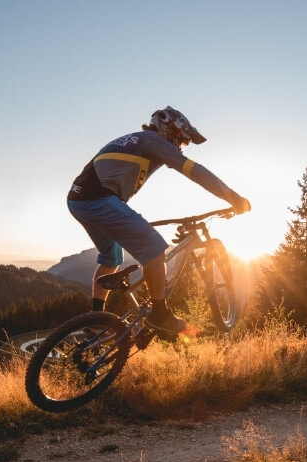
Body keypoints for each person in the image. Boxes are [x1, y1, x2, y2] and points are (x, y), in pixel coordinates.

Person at [67, 106, 251, 335]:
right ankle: (160, 314)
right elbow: (194, 170)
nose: (179, 146)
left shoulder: (135, 140)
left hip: (79, 200)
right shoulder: (152, 140)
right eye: (180, 140)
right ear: (169, 129)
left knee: (111, 257)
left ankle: (95, 320)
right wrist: (232, 197)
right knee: (155, 250)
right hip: (98, 200)